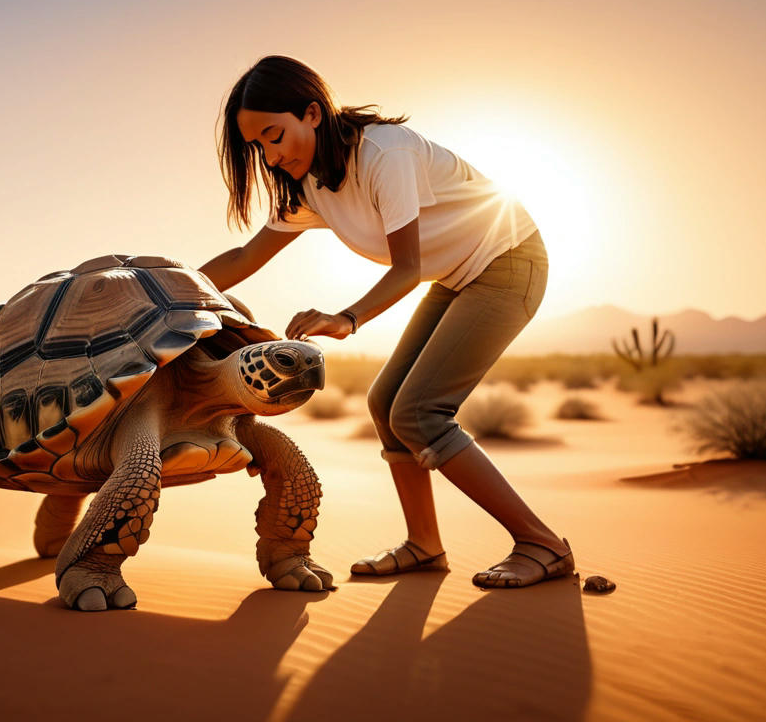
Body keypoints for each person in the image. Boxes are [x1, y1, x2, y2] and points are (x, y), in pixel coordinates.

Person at [200, 55, 573, 588]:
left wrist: (346, 318)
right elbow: (242, 259)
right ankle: (424, 545)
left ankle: (543, 544)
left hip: (508, 260)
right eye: (258, 145)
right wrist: (164, 286)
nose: (271, 154)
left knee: (421, 412)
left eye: (275, 134)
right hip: (460, 275)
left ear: (312, 112)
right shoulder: (309, 187)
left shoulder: (383, 154)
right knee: (385, 404)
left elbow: (407, 270)